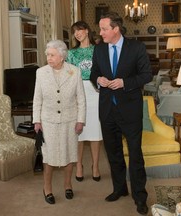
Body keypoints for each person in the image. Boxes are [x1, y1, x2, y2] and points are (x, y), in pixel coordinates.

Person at [90, 12, 152, 215]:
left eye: (104, 29)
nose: (100, 33)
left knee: (135, 155)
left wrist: (125, 83)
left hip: (130, 110)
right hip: (107, 110)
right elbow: (93, 73)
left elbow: (146, 75)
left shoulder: (136, 47)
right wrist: (98, 79)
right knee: (113, 153)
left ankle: (140, 197)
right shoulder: (98, 49)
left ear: (116, 29)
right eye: (100, 29)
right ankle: (119, 189)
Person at [32, 39, 86, 205]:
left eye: (52, 55)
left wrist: (80, 120)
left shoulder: (75, 72)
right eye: (47, 54)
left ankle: (68, 184)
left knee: (69, 154)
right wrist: (36, 120)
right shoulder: (40, 72)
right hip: (48, 121)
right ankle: (47, 187)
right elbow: (37, 99)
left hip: (70, 120)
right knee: (49, 156)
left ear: (62, 56)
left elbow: (81, 99)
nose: (49, 58)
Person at [66, 21, 103, 182]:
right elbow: (68, 75)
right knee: (79, 133)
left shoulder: (98, 50)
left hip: (96, 92)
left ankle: (95, 165)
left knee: (95, 132)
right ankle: (79, 165)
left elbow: (104, 70)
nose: (77, 34)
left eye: (80, 30)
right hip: (78, 93)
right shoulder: (71, 53)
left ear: (87, 31)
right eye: (74, 32)